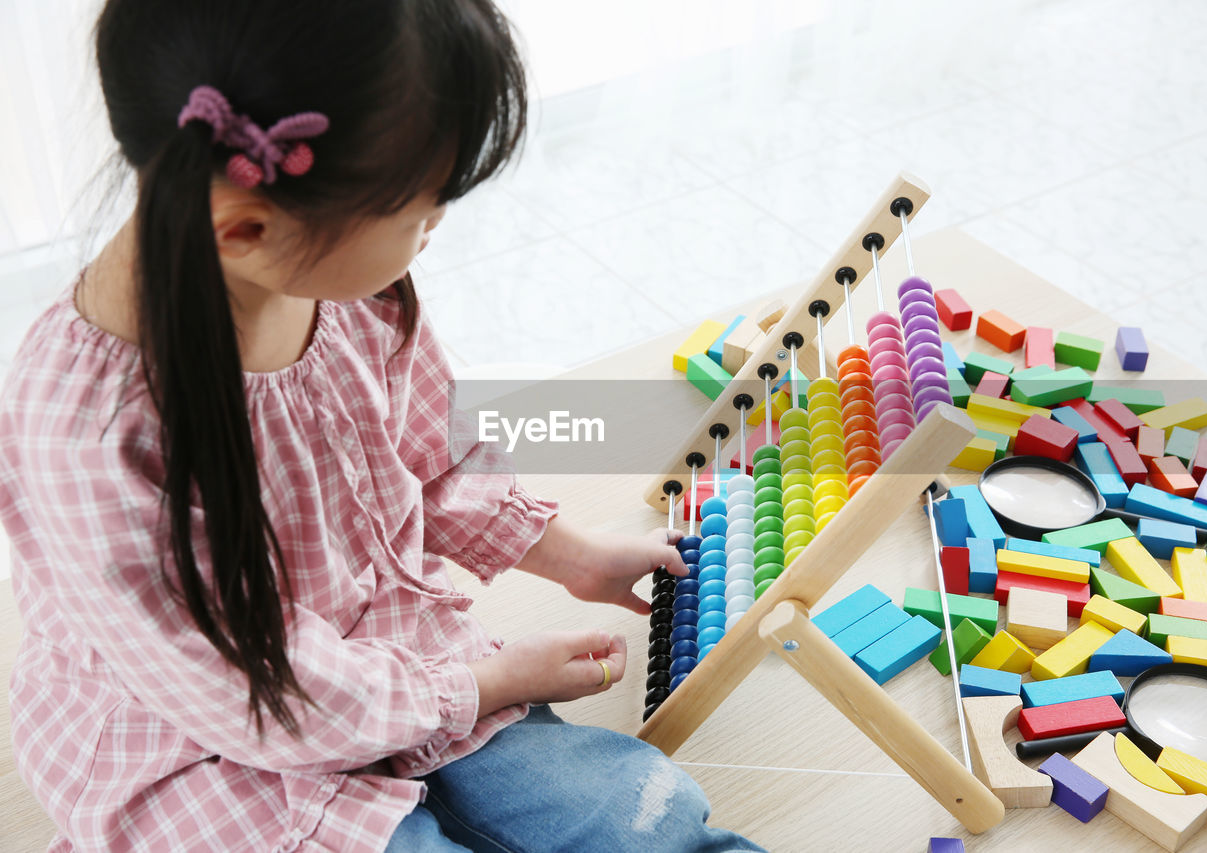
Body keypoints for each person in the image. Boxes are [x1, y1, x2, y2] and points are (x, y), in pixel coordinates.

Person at [0, 1, 766, 850]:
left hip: (392, 652)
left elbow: (429, 452)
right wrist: (486, 681)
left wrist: (568, 555)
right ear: (249, 227)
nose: (433, 234)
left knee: (638, 823)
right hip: (203, 740)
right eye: (422, 215)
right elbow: (255, 695)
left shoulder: (336, 277)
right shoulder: (91, 433)